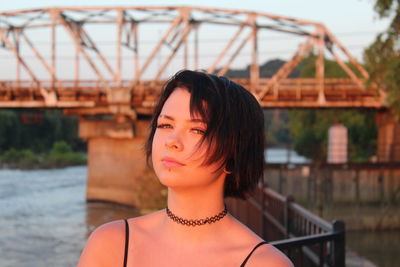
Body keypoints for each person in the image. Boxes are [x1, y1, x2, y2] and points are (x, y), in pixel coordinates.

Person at [77, 70, 293, 267]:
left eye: (197, 130)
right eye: (165, 125)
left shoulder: (265, 263)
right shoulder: (111, 243)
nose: (172, 141)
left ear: (234, 153)